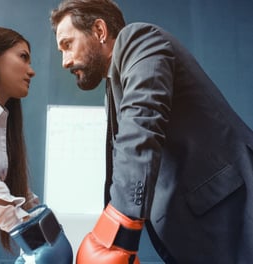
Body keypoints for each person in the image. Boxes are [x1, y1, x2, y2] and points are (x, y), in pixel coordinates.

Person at [50, 1, 253, 263]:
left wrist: (117, 233)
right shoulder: (114, 86)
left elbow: (141, 123)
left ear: (99, 30)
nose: (65, 61)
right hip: (202, 233)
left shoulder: (138, 40)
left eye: (67, 44)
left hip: (234, 216)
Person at [0, 26, 73, 264]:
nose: (32, 71)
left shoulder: (0, 121)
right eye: (23, 57)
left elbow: (14, 191)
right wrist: (30, 234)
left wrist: (43, 222)